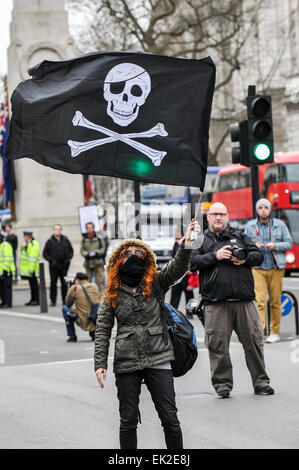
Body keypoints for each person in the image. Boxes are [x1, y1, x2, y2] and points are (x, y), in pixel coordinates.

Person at [94, 219, 200, 450]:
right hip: (127, 361)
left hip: (159, 356)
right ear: (117, 262)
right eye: (126, 253)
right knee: (128, 421)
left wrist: (187, 243)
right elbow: (102, 328)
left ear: (147, 259)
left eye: (138, 252)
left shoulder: (156, 282)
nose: (133, 256)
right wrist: (99, 363)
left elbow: (178, 267)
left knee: (170, 419)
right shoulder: (112, 292)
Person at [190, 202, 274, 398]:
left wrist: (244, 259)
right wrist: (215, 256)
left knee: (254, 343)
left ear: (227, 217)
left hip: (245, 301)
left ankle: (261, 383)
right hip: (216, 302)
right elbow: (191, 263)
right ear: (208, 217)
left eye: (222, 214)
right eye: (214, 214)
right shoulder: (200, 239)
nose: (218, 217)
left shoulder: (239, 236)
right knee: (218, 346)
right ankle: (223, 386)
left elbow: (258, 255)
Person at [244, 198, 293, 343]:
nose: (263, 210)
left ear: (270, 210)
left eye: (266, 207)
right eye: (260, 208)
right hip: (258, 267)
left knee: (275, 301)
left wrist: (275, 245)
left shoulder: (280, 225)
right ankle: (261, 330)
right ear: (257, 210)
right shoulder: (250, 226)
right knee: (259, 301)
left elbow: (289, 243)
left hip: (276, 267)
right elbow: (244, 244)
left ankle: (274, 331)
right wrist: (254, 246)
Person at [62, 272, 100, 342]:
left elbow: (68, 303)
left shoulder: (75, 288)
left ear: (77, 280)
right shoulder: (94, 286)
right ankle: (94, 332)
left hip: (81, 319)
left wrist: (70, 289)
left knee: (64, 308)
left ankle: (72, 335)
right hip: (94, 317)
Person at [43, 224, 74, 306]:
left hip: (64, 266)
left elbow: (71, 251)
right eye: (56, 229)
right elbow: (45, 253)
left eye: (59, 229)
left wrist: (68, 260)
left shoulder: (65, 240)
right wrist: (51, 260)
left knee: (64, 284)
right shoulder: (50, 241)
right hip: (54, 266)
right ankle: (53, 300)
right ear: (53, 230)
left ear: (61, 230)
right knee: (53, 283)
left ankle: (65, 300)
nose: (57, 231)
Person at [169, 225, 195, 317]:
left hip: (186, 274)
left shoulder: (187, 243)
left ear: (181, 233)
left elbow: (191, 257)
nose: (174, 233)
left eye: (176, 231)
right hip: (176, 274)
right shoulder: (176, 243)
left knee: (188, 294)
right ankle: (172, 312)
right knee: (175, 293)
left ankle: (190, 312)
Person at [80, 222, 106, 297]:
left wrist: (98, 252)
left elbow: (103, 248)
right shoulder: (84, 240)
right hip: (88, 262)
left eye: (91, 227)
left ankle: (100, 295)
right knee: (88, 280)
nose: (90, 229)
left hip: (98, 262)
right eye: (88, 227)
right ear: (86, 229)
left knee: (99, 281)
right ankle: (89, 295)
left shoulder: (98, 238)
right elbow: (82, 250)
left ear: (93, 228)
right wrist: (87, 254)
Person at [20, 231, 40, 306]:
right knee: (32, 285)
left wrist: (31, 270)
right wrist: (22, 247)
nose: (24, 238)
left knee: (34, 285)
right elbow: (24, 254)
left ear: (28, 236)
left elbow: (32, 258)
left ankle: (36, 300)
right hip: (29, 269)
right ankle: (33, 299)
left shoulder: (33, 244)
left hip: (33, 269)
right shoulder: (28, 244)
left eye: (25, 236)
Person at [0, 232, 15, 308]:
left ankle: (8, 303)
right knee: (2, 288)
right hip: (2, 271)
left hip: (7, 271)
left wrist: (5, 270)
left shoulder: (6, 246)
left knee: (7, 288)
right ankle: (4, 302)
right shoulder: (1, 246)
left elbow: (8, 258)